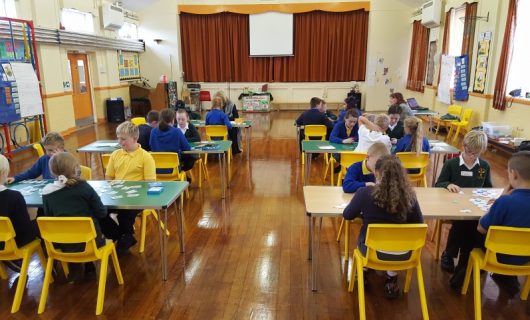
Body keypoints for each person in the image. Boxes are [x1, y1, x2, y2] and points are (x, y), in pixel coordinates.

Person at [343, 155, 424, 298]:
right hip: (404, 254)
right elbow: (419, 223)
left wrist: (365, 214)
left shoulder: (364, 193)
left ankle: (364, 271)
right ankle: (391, 278)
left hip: (372, 253)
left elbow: (347, 215)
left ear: (377, 173)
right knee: (396, 237)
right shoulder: (411, 197)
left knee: (365, 232)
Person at [42, 152, 117, 281]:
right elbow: (102, 213)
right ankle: (88, 264)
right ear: (75, 168)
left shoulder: (47, 192)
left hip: (61, 243)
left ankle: (76, 266)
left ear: (52, 172)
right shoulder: (84, 187)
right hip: (91, 243)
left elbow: (49, 216)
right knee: (100, 226)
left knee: (73, 230)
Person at [435, 130, 492, 289]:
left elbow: (488, 186)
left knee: (473, 225)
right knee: (462, 223)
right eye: (469, 152)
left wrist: (486, 195)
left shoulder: (484, 166)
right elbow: (438, 184)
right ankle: (451, 254)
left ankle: (461, 257)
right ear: (463, 147)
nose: (472, 156)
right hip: (453, 205)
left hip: (474, 206)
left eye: (476, 154)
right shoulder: (451, 164)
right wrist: (448, 184)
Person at [477, 151, 530, 295]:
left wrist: (499, 200)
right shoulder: (506, 202)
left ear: (514, 174)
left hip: (498, 258)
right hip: (527, 259)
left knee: (474, 233)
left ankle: (468, 272)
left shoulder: (505, 202)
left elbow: (481, 228)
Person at [103, 121, 156, 254]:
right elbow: (109, 177)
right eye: (118, 138)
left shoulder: (146, 157)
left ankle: (124, 236)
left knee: (125, 213)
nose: (120, 142)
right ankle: (122, 235)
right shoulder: (115, 155)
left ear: (135, 139)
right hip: (118, 195)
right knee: (99, 211)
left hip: (138, 198)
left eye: (123, 139)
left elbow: (149, 183)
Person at [0, 154, 38, 272]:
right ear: (4, 172)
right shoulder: (14, 196)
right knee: (41, 223)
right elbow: (24, 227)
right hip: (14, 242)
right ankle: (51, 264)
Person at [214, 91, 242, 155]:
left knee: (233, 129)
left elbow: (236, 118)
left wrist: (225, 119)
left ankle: (234, 149)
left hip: (227, 126)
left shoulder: (231, 105)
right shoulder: (216, 108)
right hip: (221, 127)